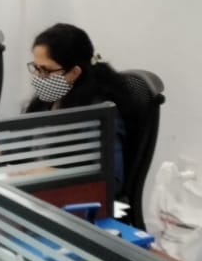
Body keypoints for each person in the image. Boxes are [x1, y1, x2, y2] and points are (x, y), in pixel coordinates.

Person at [25, 23, 127, 193]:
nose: (38, 76)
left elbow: (112, 180)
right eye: (36, 68)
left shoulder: (97, 115)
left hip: (67, 200)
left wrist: (50, 174)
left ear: (74, 72)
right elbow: (15, 141)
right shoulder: (49, 101)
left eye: (46, 70)